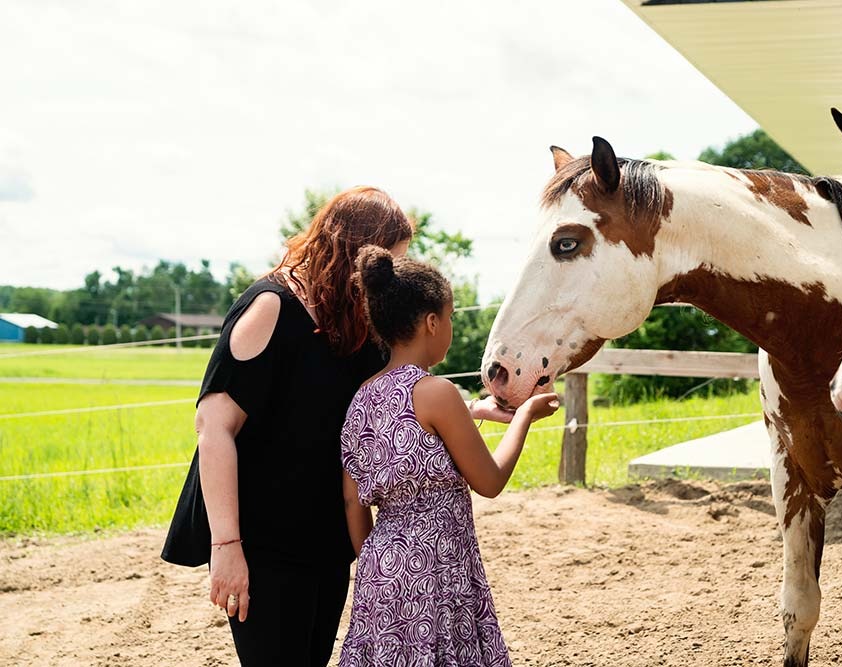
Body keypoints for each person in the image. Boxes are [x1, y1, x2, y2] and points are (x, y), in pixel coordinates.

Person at [160, 186, 510, 666]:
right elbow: (213, 428)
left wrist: (475, 411)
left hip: (328, 539)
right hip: (264, 543)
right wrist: (226, 547)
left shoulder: (351, 320)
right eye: (387, 258)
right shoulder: (270, 307)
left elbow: (393, 407)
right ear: (352, 249)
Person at [338, 246, 559, 666]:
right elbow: (490, 482)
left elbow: (353, 499)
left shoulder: (361, 396)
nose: (452, 326)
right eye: (452, 317)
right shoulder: (437, 393)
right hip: (439, 567)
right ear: (431, 322)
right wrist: (526, 414)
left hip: (380, 569)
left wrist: (378, 564)